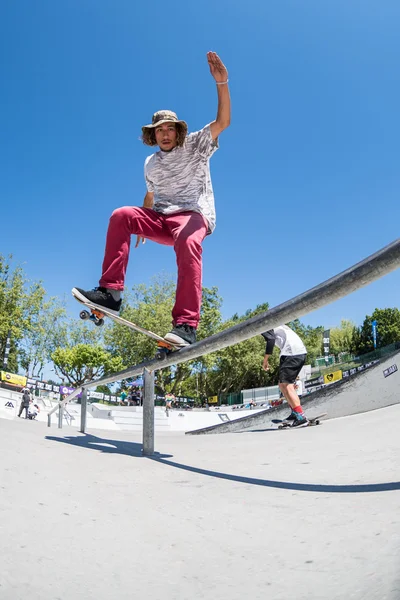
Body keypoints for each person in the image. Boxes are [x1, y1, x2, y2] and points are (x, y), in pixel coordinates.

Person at [73, 51, 231, 347]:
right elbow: (150, 194)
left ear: (178, 131)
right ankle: (111, 294)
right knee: (121, 215)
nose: (165, 134)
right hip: (161, 219)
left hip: (193, 216)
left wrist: (222, 83)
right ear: (153, 135)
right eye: (160, 131)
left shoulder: (196, 144)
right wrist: (140, 225)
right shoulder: (150, 163)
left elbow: (223, 121)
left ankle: (186, 324)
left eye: (170, 129)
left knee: (187, 241)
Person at [261, 325, 308, 427]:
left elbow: (270, 340)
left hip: (291, 353)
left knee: (286, 385)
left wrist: (265, 360)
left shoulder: (262, 325)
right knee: (282, 385)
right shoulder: (278, 324)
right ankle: (295, 412)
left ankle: (300, 416)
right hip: (298, 352)